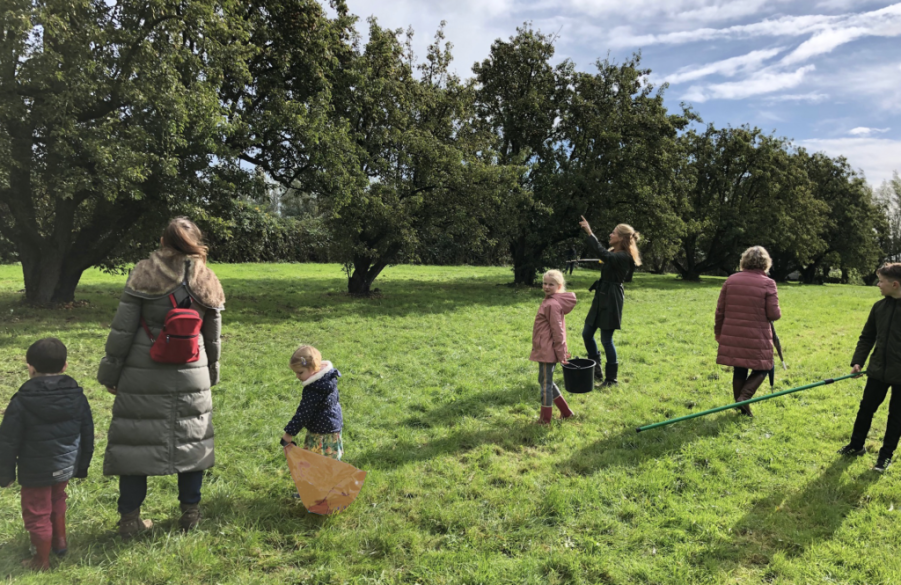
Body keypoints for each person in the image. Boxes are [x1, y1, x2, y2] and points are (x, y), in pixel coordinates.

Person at [97, 217, 225, 537]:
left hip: (143, 372)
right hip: (191, 373)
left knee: (134, 445)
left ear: (162, 240)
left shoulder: (144, 272)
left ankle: (130, 520)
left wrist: (110, 373)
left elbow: (123, 329)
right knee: (192, 443)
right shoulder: (208, 279)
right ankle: (190, 514)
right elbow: (213, 339)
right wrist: (211, 376)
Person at [0, 338, 94, 571]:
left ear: (29, 367)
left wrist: (5, 474)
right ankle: (59, 543)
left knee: (36, 511)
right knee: (57, 500)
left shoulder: (21, 401)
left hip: (35, 471)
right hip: (66, 464)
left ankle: (41, 561)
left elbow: (7, 442)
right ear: (65, 366)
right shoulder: (78, 396)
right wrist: (82, 465)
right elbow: (88, 432)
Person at [838, 262, 901, 473]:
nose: (878, 285)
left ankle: (885, 457)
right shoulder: (879, 307)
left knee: (896, 416)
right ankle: (856, 445)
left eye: (881, 281)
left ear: (895, 284)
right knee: (866, 409)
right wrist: (858, 361)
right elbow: (867, 337)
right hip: (877, 371)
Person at [714, 246, 781, 418]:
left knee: (740, 368)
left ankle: (742, 408)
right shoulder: (768, 283)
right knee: (765, 366)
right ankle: (744, 398)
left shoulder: (731, 280)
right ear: (766, 263)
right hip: (757, 335)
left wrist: (718, 331)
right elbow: (774, 314)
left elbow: (720, 310)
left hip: (733, 333)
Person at [577, 217, 641, 386]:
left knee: (606, 339)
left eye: (613, 232)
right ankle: (595, 368)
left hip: (612, 298)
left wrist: (590, 233)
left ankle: (611, 379)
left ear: (621, 237)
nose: (610, 234)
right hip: (601, 295)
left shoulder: (623, 256)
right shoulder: (614, 252)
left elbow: (602, 253)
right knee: (587, 333)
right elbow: (604, 255)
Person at [529, 269, 577, 424]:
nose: (547, 286)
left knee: (545, 384)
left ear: (559, 286)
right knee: (545, 380)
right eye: (544, 283)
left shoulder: (552, 304)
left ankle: (545, 419)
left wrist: (562, 352)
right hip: (545, 348)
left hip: (547, 350)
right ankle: (566, 412)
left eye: (551, 284)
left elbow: (558, 331)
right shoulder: (549, 301)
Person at [281, 345, 344, 461]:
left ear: (313, 367)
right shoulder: (328, 378)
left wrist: (289, 433)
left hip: (321, 431)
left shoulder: (314, 389)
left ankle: (323, 478)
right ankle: (331, 475)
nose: (297, 376)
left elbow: (303, 413)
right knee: (330, 460)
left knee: (318, 461)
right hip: (333, 425)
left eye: (300, 372)